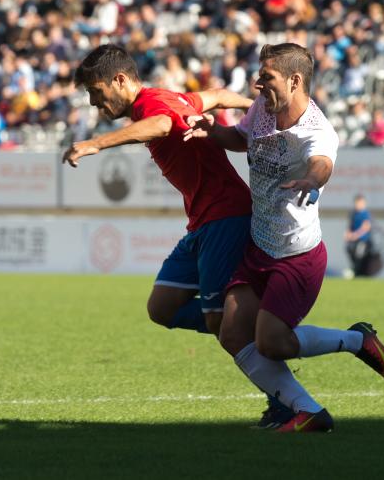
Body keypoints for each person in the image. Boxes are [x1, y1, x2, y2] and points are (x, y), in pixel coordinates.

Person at [62, 45, 292, 426]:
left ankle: (283, 397)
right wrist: (261, 107)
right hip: (204, 222)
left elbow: (164, 125)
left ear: (120, 80)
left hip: (225, 215)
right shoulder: (171, 96)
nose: (95, 105)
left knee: (224, 327)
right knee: (162, 307)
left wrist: (95, 144)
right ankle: (250, 324)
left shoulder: (154, 104)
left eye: (97, 95)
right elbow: (216, 97)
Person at [185, 43, 384, 433]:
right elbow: (241, 138)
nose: (256, 84)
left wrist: (312, 180)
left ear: (295, 80)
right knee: (231, 331)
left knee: (272, 343)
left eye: (266, 77)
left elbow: (322, 163)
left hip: (297, 257)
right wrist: (213, 133)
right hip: (258, 246)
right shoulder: (261, 111)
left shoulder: (316, 131)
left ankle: (357, 341)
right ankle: (308, 411)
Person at [345, 194, 373, 277]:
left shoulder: (365, 214)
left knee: (359, 255)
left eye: (361, 203)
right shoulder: (353, 214)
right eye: (357, 203)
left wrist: (355, 235)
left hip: (363, 240)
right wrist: (348, 234)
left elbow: (366, 227)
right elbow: (350, 226)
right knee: (349, 250)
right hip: (354, 240)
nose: (359, 205)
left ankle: (358, 273)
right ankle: (356, 272)